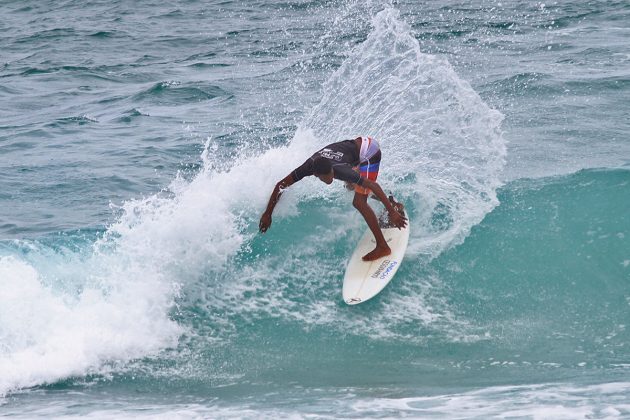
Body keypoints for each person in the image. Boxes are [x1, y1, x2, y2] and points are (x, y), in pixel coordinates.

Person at [259, 136, 407, 261]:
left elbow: (372, 185)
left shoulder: (340, 170)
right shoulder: (308, 167)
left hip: (369, 151)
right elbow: (281, 184)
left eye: (331, 174)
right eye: (327, 177)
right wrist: (268, 213)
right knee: (351, 186)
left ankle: (382, 246)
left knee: (359, 202)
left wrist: (391, 213)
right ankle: (394, 204)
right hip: (356, 150)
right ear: (316, 175)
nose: (331, 178)